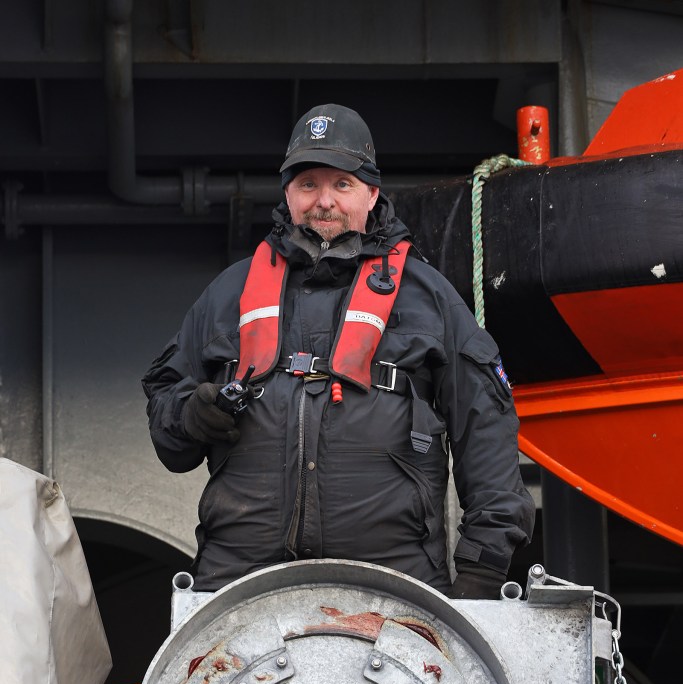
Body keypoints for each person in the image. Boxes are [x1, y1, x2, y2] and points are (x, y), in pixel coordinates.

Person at [142, 104, 535, 598]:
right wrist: (190, 415)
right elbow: (169, 428)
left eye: (342, 184)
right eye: (308, 184)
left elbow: (485, 426)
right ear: (288, 194)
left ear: (371, 194)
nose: (323, 201)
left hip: (398, 588)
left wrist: (483, 568)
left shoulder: (429, 297)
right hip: (238, 588)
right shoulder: (229, 294)